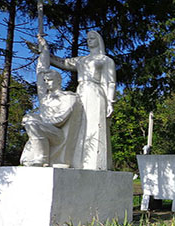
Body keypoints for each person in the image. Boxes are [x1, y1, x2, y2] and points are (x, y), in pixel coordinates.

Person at [45, 31, 116, 170]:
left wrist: (110, 102)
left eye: (92, 38)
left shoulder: (105, 60)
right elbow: (63, 63)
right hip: (81, 92)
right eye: (88, 38)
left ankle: (96, 164)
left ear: (99, 40)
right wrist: (45, 52)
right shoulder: (81, 60)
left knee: (94, 125)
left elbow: (110, 82)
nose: (89, 40)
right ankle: (77, 161)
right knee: (79, 126)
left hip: (96, 93)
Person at [20, 36, 84, 168]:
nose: (46, 83)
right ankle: (38, 156)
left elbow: (60, 120)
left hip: (58, 136)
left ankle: (42, 158)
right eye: (46, 81)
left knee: (31, 120)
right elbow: (40, 73)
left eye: (50, 80)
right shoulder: (46, 98)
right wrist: (44, 50)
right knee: (30, 120)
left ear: (58, 80)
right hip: (43, 130)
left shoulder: (69, 97)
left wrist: (38, 120)